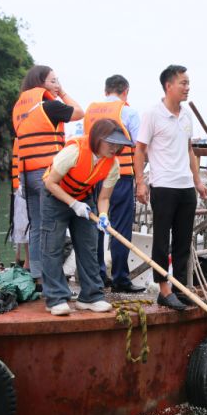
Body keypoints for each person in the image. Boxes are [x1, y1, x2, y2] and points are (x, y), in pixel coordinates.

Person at [135, 65, 207, 311]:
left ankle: (178, 289)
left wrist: (197, 181)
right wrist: (140, 182)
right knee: (161, 241)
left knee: (183, 242)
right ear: (169, 85)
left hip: (185, 187)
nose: (187, 88)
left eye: (188, 83)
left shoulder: (186, 115)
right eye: (183, 83)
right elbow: (140, 150)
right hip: (164, 186)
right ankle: (164, 290)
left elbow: (189, 150)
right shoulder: (152, 114)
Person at [40, 119, 132, 316]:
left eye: (118, 144)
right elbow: (50, 182)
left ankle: (91, 296)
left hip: (84, 199)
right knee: (52, 247)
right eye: (110, 143)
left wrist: (104, 215)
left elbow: (104, 197)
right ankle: (55, 298)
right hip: (54, 196)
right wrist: (72, 204)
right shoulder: (74, 151)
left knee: (89, 247)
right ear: (97, 139)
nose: (114, 148)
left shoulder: (113, 165)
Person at [12, 65, 84, 287]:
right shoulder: (49, 106)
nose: (57, 84)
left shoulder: (19, 106)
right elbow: (80, 112)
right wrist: (61, 93)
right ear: (41, 83)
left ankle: (37, 276)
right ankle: (51, 278)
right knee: (51, 226)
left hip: (26, 174)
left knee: (36, 225)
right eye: (53, 81)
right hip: (45, 174)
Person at [84, 75, 144, 293]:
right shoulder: (128, 112)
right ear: (125, 91)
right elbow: (139, 147)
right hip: (120, 176)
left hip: (93, 175)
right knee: (120, 228)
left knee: (97, 227)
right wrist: (141, 180)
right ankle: (120, 279)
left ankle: (99, 277)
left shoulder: (90, 111)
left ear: (105, 90)